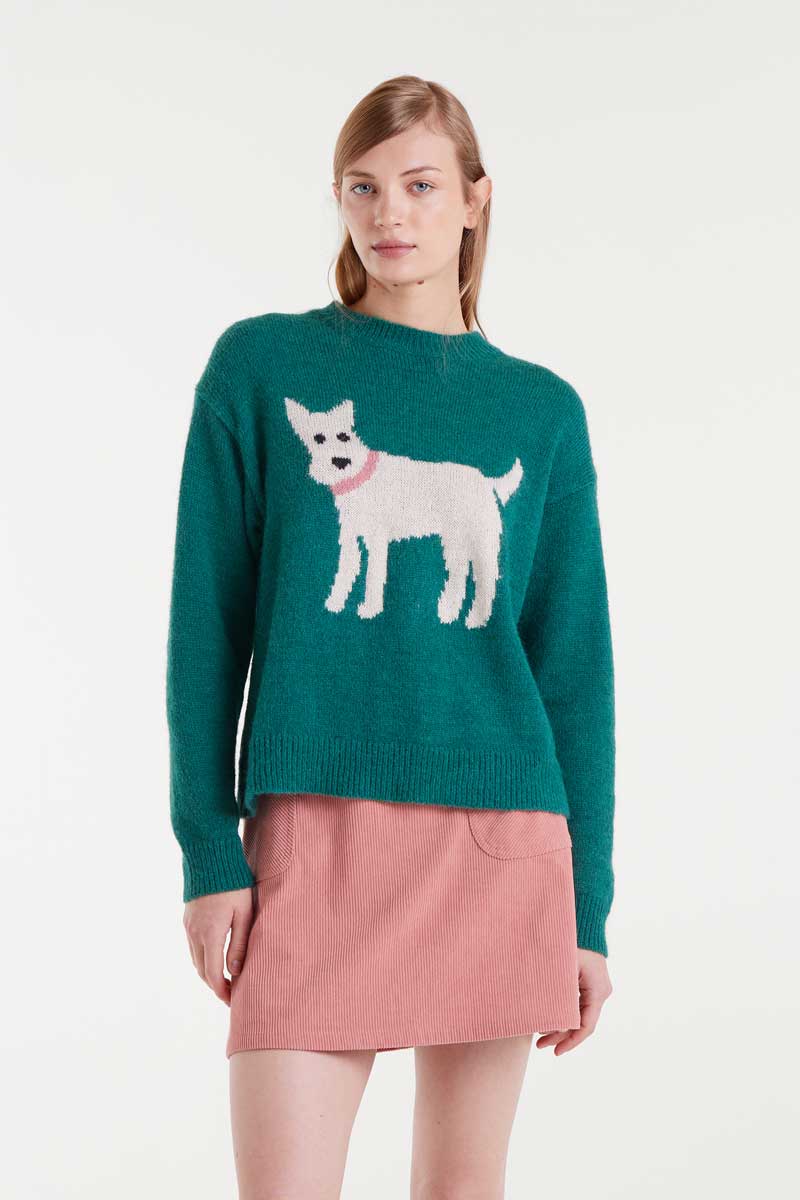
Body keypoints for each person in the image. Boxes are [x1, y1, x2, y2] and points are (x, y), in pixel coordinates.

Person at [166, 74, 616, 1199]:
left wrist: (589, 915)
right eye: (361, 187)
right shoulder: (260, 367)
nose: (389, 214)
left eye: (419, 185)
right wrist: (210, 851)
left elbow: (572, 672)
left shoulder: (540, 410)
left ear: (474, 200)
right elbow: (204, 628)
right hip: (310, 837)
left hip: (499, 840)